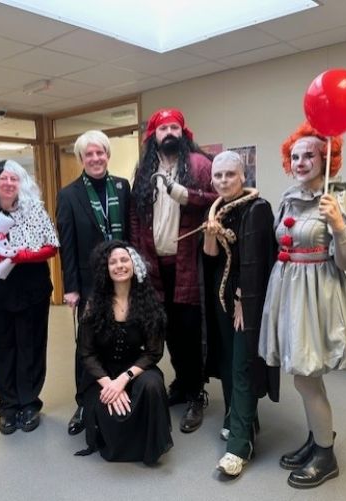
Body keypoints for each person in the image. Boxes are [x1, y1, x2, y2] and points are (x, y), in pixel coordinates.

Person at [259, 122, 346, 488]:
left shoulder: (340, 201)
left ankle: (325, 454)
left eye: (309, 155)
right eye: (294, 156)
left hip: (317, 295)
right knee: (304, 376)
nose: (300, 162)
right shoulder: (288, 197)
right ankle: (316, 439)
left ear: (326, 158)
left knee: (306, 377)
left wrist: (338, 224)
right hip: (289, 291)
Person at [130, 108, 216, 433]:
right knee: (166, 330)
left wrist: (185, 194)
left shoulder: (199, 165)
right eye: (163, 128)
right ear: (153, 136)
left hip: (188, 264)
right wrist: (137, 254)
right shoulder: (145, 170)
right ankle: (181, 383)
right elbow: (136, 214)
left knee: (190, 331)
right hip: (155, 266)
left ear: (183, 132)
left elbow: (216, 200)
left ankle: (196, 393)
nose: (169, 133)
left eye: (174, 128)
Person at [201, 151, 279, 476]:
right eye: (218, 176)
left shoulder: (258, 209)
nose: (223, 180)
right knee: (227, 361)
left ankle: (239, 445)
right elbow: (210, 256)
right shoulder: (216, 209)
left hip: (245, 299)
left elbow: (259, 261)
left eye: (229, 174)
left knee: (242, 365)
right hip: (220, 298)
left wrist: (242, 298)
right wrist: (210, 232)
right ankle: (240, 418)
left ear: (243, 176)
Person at [0, 160, 59, 435]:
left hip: (31, 284)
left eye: (14, 179)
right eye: (3, 178)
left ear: (21, 183)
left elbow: (52, 245)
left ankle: (30, 403)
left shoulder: (35, 210)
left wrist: (25, 255)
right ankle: (8, 406)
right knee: (0, 346)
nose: (8, 183)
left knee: (31, 344)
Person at [56, 130, 130, 436]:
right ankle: (85, 403)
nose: (96, 158)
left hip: (123, 278)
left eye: (100, 152)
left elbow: (131, 234)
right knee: (87, 344)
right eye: (89, 154)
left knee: (122, 337)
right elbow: (67, 245)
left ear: (107, 155)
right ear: (81, 159)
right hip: (89, 282)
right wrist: (71, 287)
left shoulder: (122, 187)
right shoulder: (68, 195)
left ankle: (120, 391)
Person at [76, 240, 173, 465]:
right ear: (106, 268)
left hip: (134, 369)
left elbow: (153, 352)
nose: (119, 265)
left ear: (134, 265)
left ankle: (150, 446)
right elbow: (87, 354)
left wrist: (123, 380)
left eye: (124, 260)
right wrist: (110, 385)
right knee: (114, 414)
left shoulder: (148, 302)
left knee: (152, 386)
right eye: (113, 262)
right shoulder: (94, 304)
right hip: (101, 374)